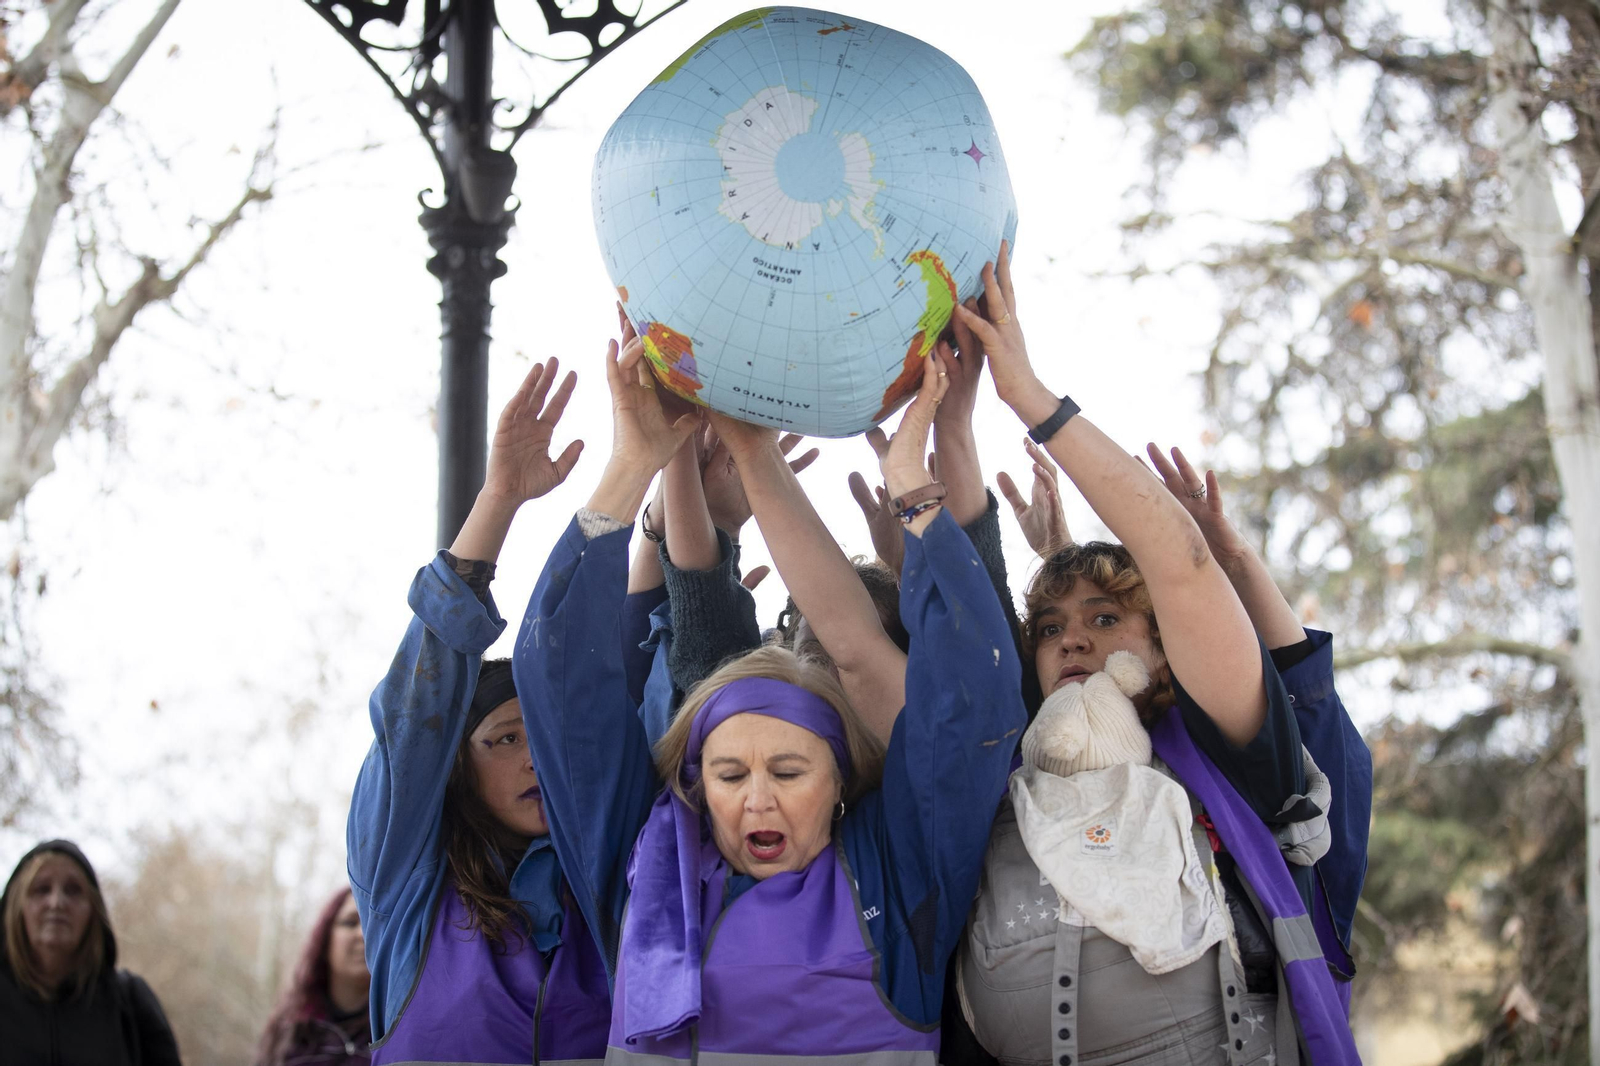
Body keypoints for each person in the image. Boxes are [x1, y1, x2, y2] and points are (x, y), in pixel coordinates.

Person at [515, 340, 1026, 1063]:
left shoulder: (900, 871)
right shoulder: (641, 867)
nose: (757, 800)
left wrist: (914, 483)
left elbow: (973, 695)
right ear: (694, 784)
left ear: (843, 781)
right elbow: (561, 683)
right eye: (729, 776)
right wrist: (634, 465)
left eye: (787, 773)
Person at [947, 244, 1359, 1065]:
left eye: (1106, 619)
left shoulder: (1233, 759)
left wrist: (1024, 395)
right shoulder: (1015, 762)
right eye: (1052, 626)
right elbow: (971, 591)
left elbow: (1182, 565)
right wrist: (953, 423)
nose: (1071, 637)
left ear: (1165, 651)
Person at [347, 357, 612, 1065]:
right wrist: (498, 499)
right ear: (456, 767)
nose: (533, 757)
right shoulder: (408, 885)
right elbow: (414, 713)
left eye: (542, 739)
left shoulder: (610, 886)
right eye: (502, 738)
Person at [1, 839, 182, 1066]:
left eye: (73, 890)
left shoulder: (130, 1005)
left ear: (94, 911)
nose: (56, 902)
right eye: (41, 889)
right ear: (16, 907)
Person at [255, 886, 371, 1066]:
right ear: (324, 938)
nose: (363, 934)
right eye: (350, 922)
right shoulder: (289, 1029)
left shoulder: (399, 1029)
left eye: (373, 924)